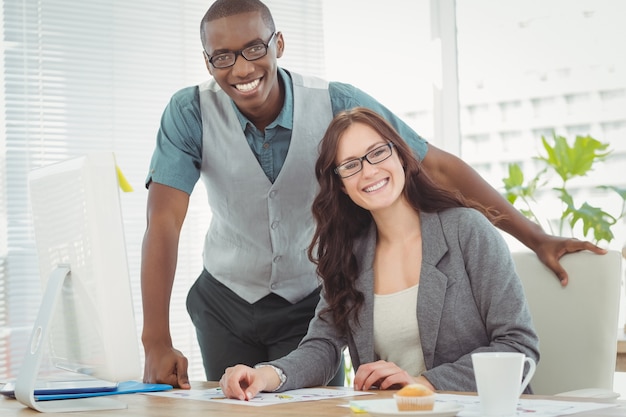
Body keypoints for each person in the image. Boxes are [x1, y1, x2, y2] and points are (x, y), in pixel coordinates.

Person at [141, 0, 600, 389]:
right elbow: (164, 222)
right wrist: (160, 342)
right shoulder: (347, 255)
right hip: (227, 293)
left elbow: (437, 163)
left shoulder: (458, 229)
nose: (241, 67)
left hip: (307, 297)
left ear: (278, 44)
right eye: (350, 164)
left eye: (254, 48)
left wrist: (536, 237)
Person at [219, 107, 540, 399]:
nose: (369, 172)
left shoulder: (467, 230)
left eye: (376, 153)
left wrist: (423, 383)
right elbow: (323, 346)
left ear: (400, 155)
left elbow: (518, 347)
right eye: (351, 165)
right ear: (341, 184)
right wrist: (265, 374)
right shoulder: (348, 254)